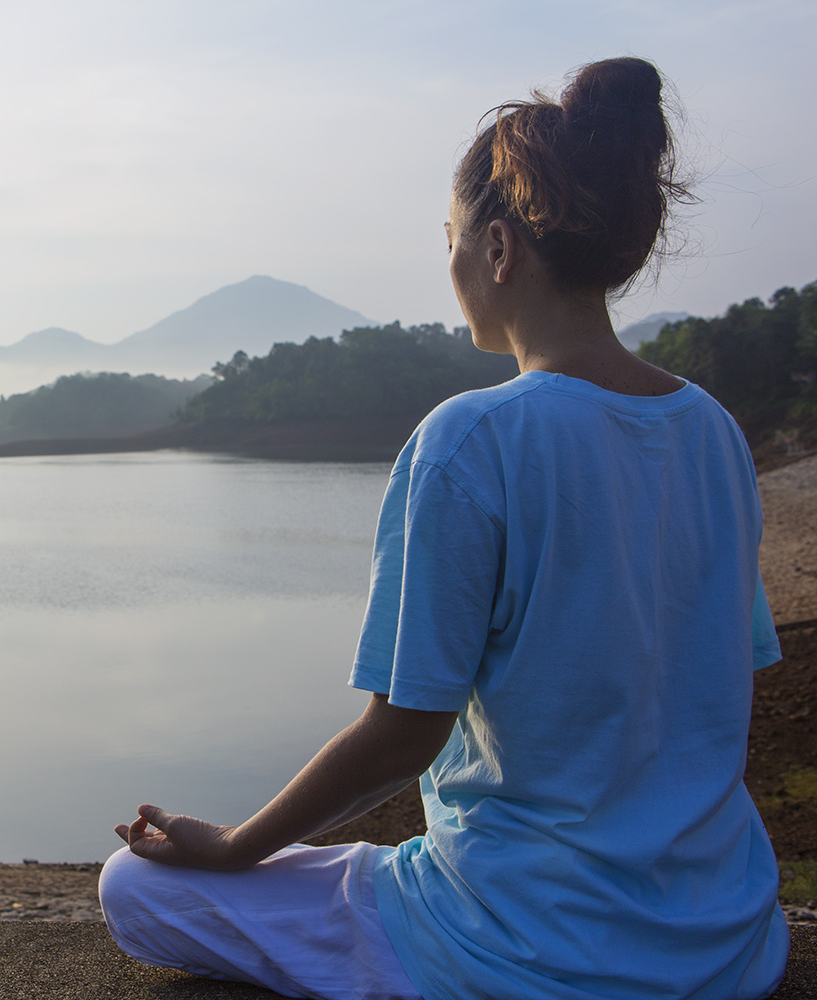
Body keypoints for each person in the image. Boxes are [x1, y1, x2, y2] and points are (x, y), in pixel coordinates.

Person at [98, 57, 789, 1000]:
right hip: (727, 947)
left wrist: (234, 844)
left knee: (135, 886)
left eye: (453, 240)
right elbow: (718, 679)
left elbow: (403, 734)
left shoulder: (472, 438)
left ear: (499, 250)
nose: (453, 264)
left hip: (520, 945)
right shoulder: (712, 429)